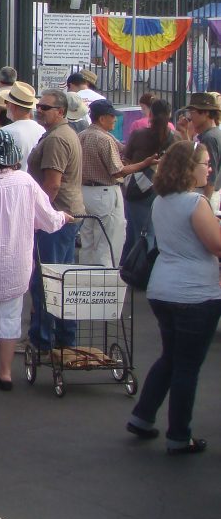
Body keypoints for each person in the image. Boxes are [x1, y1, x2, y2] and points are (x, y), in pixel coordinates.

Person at [126, 140, 221, 454]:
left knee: (170, 357)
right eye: (204, 162)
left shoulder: (162, 200)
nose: (209, 168)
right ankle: (179, 434)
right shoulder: (196, 203)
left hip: (163, 288)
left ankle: (142, 417)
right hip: (195, 293)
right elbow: (215, 244)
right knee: (187, 366)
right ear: (188, 167)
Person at [0, 129, 68, 393]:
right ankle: (6, 373)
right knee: (11, 317)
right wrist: (65, 217)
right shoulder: (26, 181)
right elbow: (50, 219)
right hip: (17, 262)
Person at [26, 88, 85, 354]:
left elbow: (52, 185)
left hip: (57, 217)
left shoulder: (57, 139)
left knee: (47, 280)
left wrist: (40, 216)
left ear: (60, 112)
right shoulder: (59, 134)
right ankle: (62, 338)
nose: (40, 110)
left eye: (45, 107)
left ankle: (44, 340)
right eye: (39, 105)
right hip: (63, 216)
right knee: (60, 278)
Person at [78, 99, 156, 266]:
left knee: (88, 241)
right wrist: (144, 164)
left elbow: (124, 151)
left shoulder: (83, 135)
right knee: (108, 241)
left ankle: (84, 281)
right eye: (112, 116)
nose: (115, 119)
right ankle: (104, 283)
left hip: (84, 192)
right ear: (102, 118)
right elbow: (118, 170)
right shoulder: (104, 139)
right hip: (104, 192)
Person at [122, 98, 178, 262]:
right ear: (169, 115)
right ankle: (148, 269)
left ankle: (133, 268)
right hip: (165, 188)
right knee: (155, 233)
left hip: (138, 189)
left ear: (151, 114)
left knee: (135, 232)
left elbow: (127, 158)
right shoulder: (176, 137)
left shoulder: (139, 134)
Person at [187, 92, 221, 209]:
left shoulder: (209, 138)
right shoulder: (214, 133)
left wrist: (205, 201)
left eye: (193, 112)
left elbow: (212, 173)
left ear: (206, 113)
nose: (190, 116)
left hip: (205, 193)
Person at [4, 81, 45, 171]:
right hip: (34, 182)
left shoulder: (4, 132)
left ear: (12, 106)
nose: (5, 105)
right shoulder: (42, 130)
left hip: (12, 181)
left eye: (6, 102)